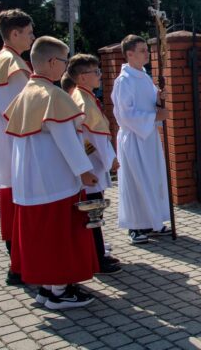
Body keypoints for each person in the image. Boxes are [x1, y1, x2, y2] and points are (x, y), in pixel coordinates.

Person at [5, 36, 99, 309]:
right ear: (50, 62)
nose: (65, 68)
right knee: (58, 237)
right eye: (64, 61)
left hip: (30, 183)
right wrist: (84, 171)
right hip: (55, 182)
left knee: (40, 239)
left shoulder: (25, 94)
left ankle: (47, 288)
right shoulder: (52, 95)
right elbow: (66, 139)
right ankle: (59, 291)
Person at [0, 9, 34, 285]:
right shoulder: (13, 67)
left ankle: (20, 263)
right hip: (17, 148)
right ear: (15, 34)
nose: (32, 38)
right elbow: (21, 114)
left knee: (12, 202)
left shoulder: (4, 61)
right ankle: (20, 265)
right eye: (29, 33)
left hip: (8, 146)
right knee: (19, 206)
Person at [112, 35, 171, 245]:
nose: (148, 53)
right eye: (142, 50)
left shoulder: (144, 76)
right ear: (129, 54)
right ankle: (135, 226)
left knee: (153, 178)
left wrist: (158, 98)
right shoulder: (124, 81)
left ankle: (152, 221)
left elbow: (151, 100)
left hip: (148, 138)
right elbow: (125, 115)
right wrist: (155, 116)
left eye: (147, 49)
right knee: (136, 181)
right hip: (134, 138)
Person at [68, 54, 122, 274]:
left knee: (94, 210)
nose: (99, 76)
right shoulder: (83, 100)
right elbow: (97, 136)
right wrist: (111, 159)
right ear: (82, 77)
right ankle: (97, 258)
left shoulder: (82, 96)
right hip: (91, 165)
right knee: (93, 211)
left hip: (90, 163)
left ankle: (97, 253)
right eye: (95, 72)